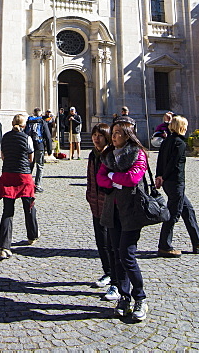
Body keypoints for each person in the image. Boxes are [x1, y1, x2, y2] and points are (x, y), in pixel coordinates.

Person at [96, 119, 152, 321]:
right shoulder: (108, 155)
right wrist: (115, 177)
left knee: (127, 255)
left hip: (131, 211)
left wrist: (112, 177)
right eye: (114, 132)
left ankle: (140, 297)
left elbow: (133, 179)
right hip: (112, 211)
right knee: (117, 256)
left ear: (128, 134)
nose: (114, 135)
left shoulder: (138, 153)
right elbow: (100, 178)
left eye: (119, 132)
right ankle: (124, 296)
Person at [156, 115, 199, 262]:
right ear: (181, 127)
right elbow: (174, 164)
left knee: (188, 210)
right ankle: (164, 246)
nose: (187, 128)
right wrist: (165, 176)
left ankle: (198, 242)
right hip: (176, 182)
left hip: (169, 182)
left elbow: (160, 160)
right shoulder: (179, 143)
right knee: (173, 214)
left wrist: (160, 176)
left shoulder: (166, 141)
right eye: (185, 126)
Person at [0, 113, 38, 259]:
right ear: (24, 125)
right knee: (29, 206)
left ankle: (4, 247)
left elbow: (3, 156)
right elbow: (31, 158)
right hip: (23, 176)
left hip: (8, 174)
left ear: (12, 123)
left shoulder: (5, 137)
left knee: (7, 211)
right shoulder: (27, 137)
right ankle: (32, 235)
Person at [85, 123, 116, 300]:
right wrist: (89, 195)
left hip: (109, 204)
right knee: (101, 241)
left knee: (113, 243)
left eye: (100, 135)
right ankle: (108, 272)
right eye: (94, 135)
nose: (96, 138)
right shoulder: (92, 155)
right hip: (95, 203)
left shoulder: (111, 155)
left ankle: (117, 281)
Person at [25, 109, 51, 191]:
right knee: (39, 166)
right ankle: (37, 185)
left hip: (29, 146)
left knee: (30, 165)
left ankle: (27, 183)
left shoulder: (28, 121)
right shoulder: (42, 121)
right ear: (40, 114)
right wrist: (49, 149)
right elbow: (47, 136)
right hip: (39, 146)